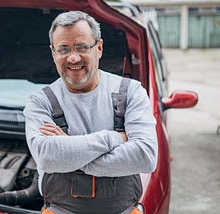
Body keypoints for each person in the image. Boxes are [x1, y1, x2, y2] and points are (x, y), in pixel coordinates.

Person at [23, 11, 158, 214]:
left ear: (99, 48)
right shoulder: (40, 102)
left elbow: (145, 156)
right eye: (63, 49)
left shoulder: (131, 92)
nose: (73, 57)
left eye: (82, 47)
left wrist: (70, 155)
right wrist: (113, 139)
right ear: (53, 53)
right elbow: (48, 157)